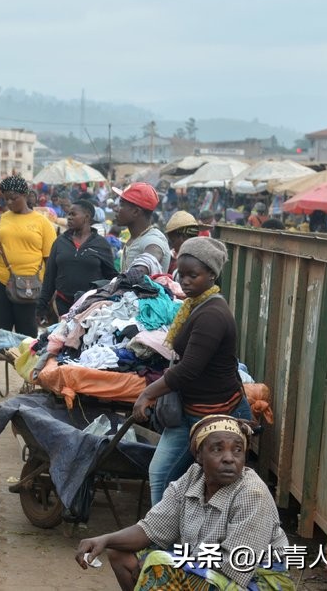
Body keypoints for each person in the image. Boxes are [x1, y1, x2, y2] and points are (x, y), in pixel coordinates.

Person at [75, 415, 294, 591]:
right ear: (199, 456)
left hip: (254, 580)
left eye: (237, 450)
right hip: (207, 569)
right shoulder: (192, 478)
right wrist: (104, 539)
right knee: (120, 554)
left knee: (161, 566)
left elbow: (235, 566)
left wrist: (170, 560)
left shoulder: (251, 492)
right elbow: (152, 529)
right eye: (217, 449)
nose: (229, 458)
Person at [132, 237, 254, 504]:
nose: (185, 281)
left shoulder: (212, 314)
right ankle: (161, 537)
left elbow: (188, 370)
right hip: (192, 410)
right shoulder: (195, 305)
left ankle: (163, 539)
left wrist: (147, 394)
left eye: (193, 275)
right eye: (182, 274)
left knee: (167, 475)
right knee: (161, 473)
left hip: (216, 413)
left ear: (211, 274)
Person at [0, 175, 56, 393]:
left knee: (27, 334)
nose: (9, 203)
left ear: (25, 195)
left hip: (31, 286)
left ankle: (29, 380)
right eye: (6, 199)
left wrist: (48, 291)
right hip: (0, 280)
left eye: (13, 198)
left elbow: (48, 259)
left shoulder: (42, 223)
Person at [37, 198, 117, 324]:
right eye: (68, 214)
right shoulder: (60, 242)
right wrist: (41, 306)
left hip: (91, 307)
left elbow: (111, 277)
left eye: (73, 214)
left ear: (87, 217)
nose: (69, 217)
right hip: (63, 304)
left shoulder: (101, 244)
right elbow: (49, 276)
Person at [113, 182, 169, 274]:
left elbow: (154, 254)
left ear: (135, 212)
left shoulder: (153, 239)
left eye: (122, 204)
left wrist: (137, 272)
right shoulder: (135, 238)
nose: (116, 209)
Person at [163, 210, 201, 274]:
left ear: (183, 237)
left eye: (173, 241)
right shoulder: (171, 257)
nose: (172, 246)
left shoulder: (200, 261)